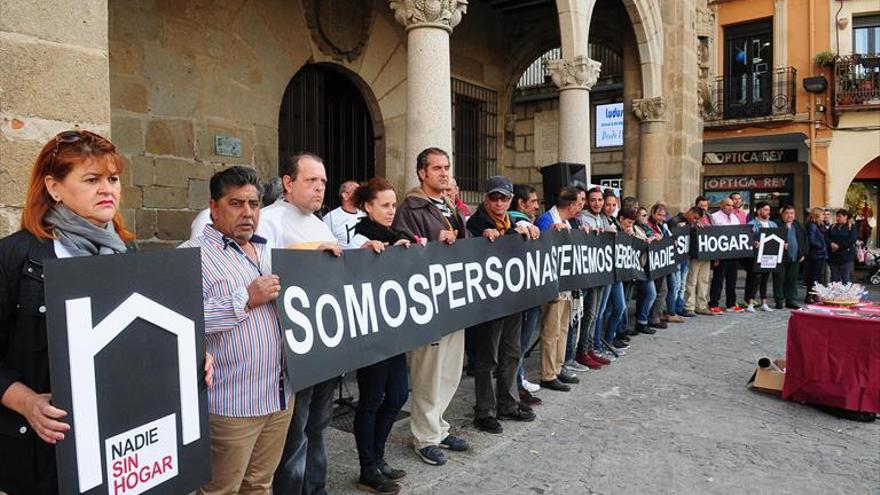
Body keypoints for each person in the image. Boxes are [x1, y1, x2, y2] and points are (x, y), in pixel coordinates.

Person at [0, 130, 163, 495]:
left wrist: (193, 357)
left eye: (113, 178)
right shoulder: (14, 256)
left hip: (117, 443)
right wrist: (25, 402)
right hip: (44, 456)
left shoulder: (127, 252)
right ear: (54, 187)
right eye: (91, 179)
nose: (108, 189)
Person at [179, 167, 289, 495]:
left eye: (254, 204)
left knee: (259, 485)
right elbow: (183, 322)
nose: (248, 213)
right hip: (232, 403)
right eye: (236, 203)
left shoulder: (269, 250)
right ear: (214, 207)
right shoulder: (190, 256)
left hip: (280, 396)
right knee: (220, 491)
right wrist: (246, 299)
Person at [261, 153, 342, 495]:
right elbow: (264, 270)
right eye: (311, 180)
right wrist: (311, 253)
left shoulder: (319, 223)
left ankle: (316, 487)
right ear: (288, 182)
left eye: (323, 181)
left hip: (324, 341)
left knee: (319, 426)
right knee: (295, 432)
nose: (319, 187)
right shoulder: (269, 220)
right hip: (292, 347)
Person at [392, 147, 469, 466]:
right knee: (428, 370)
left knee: (450, 369)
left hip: (453, 298)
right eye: (436, 168)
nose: (443, 173)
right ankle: (424, 436)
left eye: (447, 167)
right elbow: (404, 250)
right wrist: (434, 242)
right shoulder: (411, 206)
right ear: (422, 172)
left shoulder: (448, 204)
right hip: (429, 302)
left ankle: (438, 425)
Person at [346, 178, 415, 494]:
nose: (391, 211)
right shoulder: (359, 238)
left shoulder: (397, 236)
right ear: (367, 207)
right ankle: (368, 468)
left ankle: (378, 456)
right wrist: (374, 254)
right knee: (372, 399)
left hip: (395, 329)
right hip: (370, 332)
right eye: (384, 205)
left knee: (399, 394)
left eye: (393, 204)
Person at [466, 176, 540, 435]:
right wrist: (481, 237)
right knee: (488, 357)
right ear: (486, 198)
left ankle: (508, 403)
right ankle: (484, 411)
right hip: (488, 302)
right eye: (494, 197)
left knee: (511, 351)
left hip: (513, 299)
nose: (499, 203)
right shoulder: (476, 223)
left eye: (504, 198)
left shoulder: (514, 222)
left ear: (510, 200)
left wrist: (526, 230)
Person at [534, 187, 583, 391]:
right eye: (579, 203)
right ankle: (547, 373)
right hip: (552, 285)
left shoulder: (569, 222)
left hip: (565, 284)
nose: (581, 207)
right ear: (570, 205)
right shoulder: (546, 220)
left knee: (563, 328)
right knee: (551, 330)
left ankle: (558, 366)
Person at [508, 184, 543, 405]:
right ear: (521, 204)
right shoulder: (516, 222)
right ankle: (516, 387)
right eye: (534, 202)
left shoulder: (527, 224)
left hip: (529, 292)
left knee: (520, 344)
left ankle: (518, 381)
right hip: (520, 296)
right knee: (517, 345)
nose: (538, 206)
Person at [574, 187, 613, 367]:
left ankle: (589, 349)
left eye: (600, 200)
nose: (597, 203)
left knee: (595, 313)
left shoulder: (604, 218)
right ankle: (582, 352)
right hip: (588, 274)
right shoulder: (583, 218)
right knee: (587, 314)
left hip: (601, 272)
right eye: (593, 200)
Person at [709, 198, 742, 312]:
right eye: (728, 205)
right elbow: (712, 236)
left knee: (732, 280)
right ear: (721, 205)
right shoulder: (714, 217)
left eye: (732, 206)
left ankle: (731, 304)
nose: (730, 207)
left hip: (733, 253)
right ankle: (714, 304)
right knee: (718, 279)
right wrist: (715, 256)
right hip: (721, 254)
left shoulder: (734, 217)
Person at [744, 201, 777, 312]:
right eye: (765, 210)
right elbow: (746, 240)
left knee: (765, 279)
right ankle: (750, 303)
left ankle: (764, 303)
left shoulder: (773, 224)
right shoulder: (751, 224)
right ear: (759, 211)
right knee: (755, 279)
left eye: (769, 210)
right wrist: (753, 242)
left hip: (769, 255)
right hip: (755, 256)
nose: (768, 212)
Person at [647, 203, 676, 328]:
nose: (661, 218)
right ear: (652, 212)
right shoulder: (648, 225)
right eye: (659, 214)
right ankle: (652, 318)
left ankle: (656, 316)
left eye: (663, 216)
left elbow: (669, 238)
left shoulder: (661, 226)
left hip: (661, 263)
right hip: (652, 264)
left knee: (663, 290)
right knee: (656, 292)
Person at [772, 205, 807, 310]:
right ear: (782, 214)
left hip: (795, 257)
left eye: (792, 213)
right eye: (787, 213)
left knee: (792, 280)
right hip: (780, 258)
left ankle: (791, 300)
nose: (789, 215)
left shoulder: (798, 225)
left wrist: (803, 254)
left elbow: (804, 240)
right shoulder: (776, 224)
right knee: (779, 279)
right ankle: (779, 301)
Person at [633, 207, 659, 334]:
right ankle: (641, 321)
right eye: (642, 215)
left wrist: (656, 237)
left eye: (646, 215)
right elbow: (638, 243)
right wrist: (649, 241)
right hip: (640, 266)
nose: (645, 218)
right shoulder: (635, 228)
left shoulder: (647, 228)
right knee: (650, 293)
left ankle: (641, 321)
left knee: (646, 294)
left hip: (650, 266)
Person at [323, 180, 366, 249]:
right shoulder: (331, 218)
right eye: (356, 192)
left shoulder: (364, 215)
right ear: (345, 195)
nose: (360, 195)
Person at [803, 207, 828, 302]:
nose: (824, 216)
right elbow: (811, 239)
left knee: (817, 276)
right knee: (814, 276)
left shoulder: (818, 225)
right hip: (815, 254)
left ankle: (814, 295)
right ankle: (810, 296)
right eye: (822, 214)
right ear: (817, 215)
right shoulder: (812, 225)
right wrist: (821, 246)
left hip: (819, 254)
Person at [827, 209, 858, 283]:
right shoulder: (832, 226)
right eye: (836, 216)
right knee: (834, 280)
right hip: (834, 258)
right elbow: (826, 237)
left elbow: (852, 240)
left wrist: (838, 247)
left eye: (839, 216)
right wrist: (831, 243)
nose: (837, 218)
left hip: (846, 258)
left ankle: (845, 294)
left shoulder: (851, 227)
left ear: (845, 217)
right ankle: (835, 294)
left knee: (845, 280)